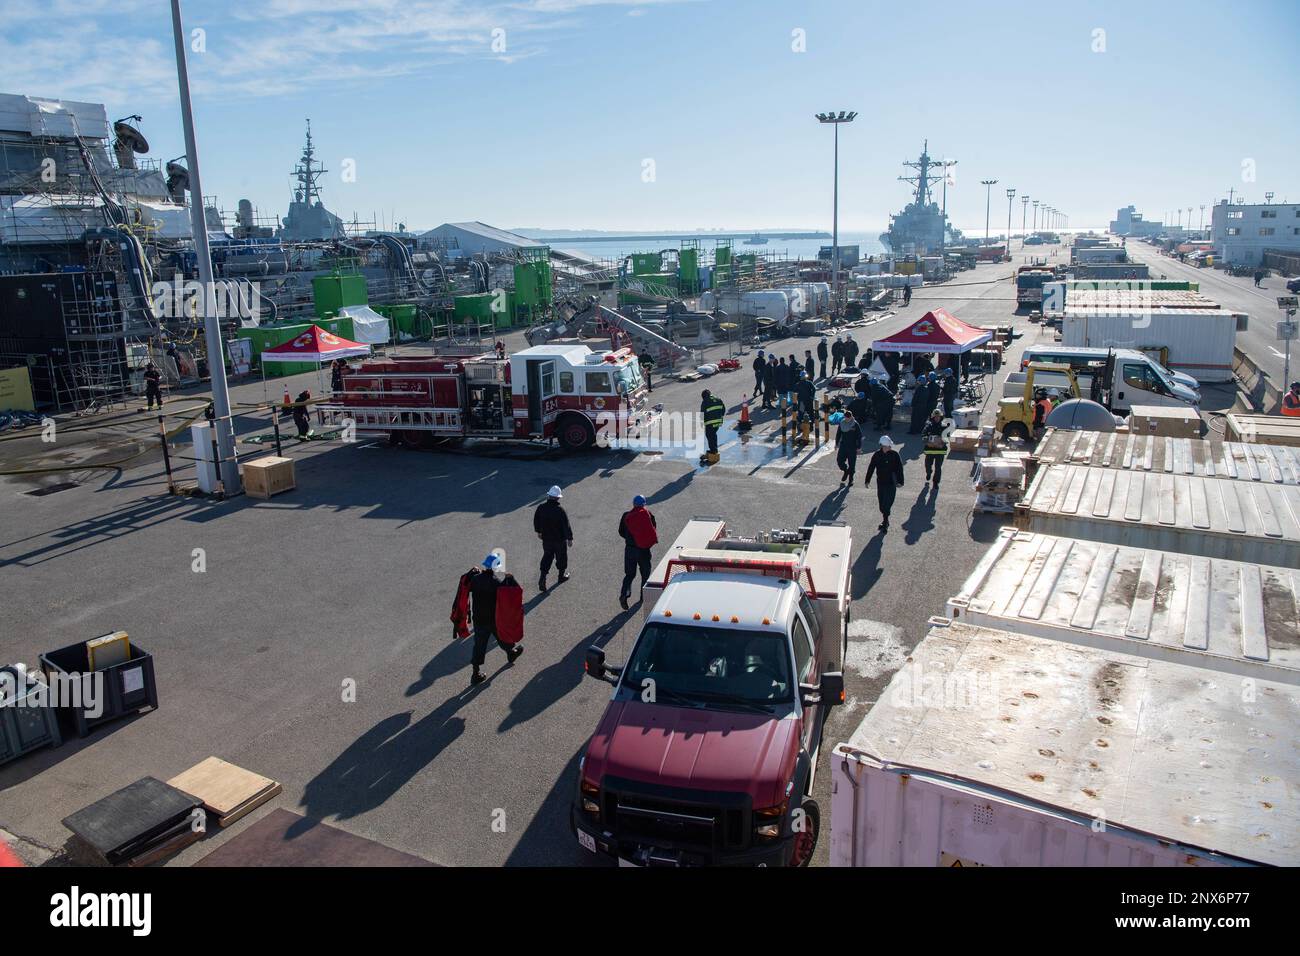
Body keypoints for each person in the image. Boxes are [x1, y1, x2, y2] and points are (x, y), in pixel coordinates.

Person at [468, 553, 523, 685]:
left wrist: (472, 573)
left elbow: (469, 584)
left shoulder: (475, 579)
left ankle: (475, 673)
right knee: (501, 637)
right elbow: (508, 592)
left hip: (479, 618)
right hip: (493, 618)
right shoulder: (496, 582)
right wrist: (511, 578)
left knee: (479, 645)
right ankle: (511, 652)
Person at [618, 495, 658, 610]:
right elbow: (653, 529)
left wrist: (630, 538)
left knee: (629, 574)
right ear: (644, 504)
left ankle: (624, 594)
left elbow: (621, 531)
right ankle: (643, 596)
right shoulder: (648, 515)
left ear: (633, 504)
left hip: (630, 550)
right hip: (643, 550)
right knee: (645, 574)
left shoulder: (626, 516)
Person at [534, 485, 573, 592]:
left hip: (546, 539)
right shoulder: (560, 510)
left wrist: (539, 531)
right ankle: (561, 576)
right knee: (561, 558)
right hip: (559, 540)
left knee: (547, 557)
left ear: (549, 496)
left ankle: (542, 578)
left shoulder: (541, 508)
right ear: (558, 498)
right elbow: (566, 525)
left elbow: (536, 521)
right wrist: (569, 538)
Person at [864, 435, 905, 532]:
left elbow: (900, 469)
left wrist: (900, 481)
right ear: (882, 446)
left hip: (891, 483)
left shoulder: (895, 455)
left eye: (889, 446)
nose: (889, 447)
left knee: (887, 503)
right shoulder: (876, 455)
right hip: (881, 482)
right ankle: (885, 518)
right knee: (882, 504)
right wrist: (867, 480)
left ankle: (885, 522)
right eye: (887, 446)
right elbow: (871, 468)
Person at [921, 409, 948, 488]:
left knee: (938, 467)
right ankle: (929, 472)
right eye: (935, 417)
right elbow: (923, 434)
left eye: (938, 417)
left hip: (940, 450)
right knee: (928, 465)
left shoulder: (944, 426)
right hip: (930, 450)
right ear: (933, 417)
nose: (937, 418)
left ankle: (935, 482)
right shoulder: (929, 425)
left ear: (941, 417)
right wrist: (927, 441)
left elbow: (947, 437)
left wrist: (942, 443)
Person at [835, 408, 862, 485]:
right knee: (839, 461)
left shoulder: (855, 424)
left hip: (852, 447)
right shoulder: (842, 423)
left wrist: (859, 447)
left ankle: (851, 479)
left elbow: (859, 436)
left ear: (851, 417)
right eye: (845, 418)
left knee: (852, 464)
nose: (847, 419)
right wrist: (836, 444)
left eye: (848, 418)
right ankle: (846, 471)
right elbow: (838, 434)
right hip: (843, 446)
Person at [700, 388, 725, 455]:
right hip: (718, 422)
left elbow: (702, 414)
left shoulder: (705, 401)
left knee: (709, 435)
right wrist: (719, 417)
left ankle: (713, 451)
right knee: (713, 434)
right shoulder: (718, 399)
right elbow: (723, 410)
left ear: (704, 396)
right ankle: (714, 449)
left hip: (710, 423)